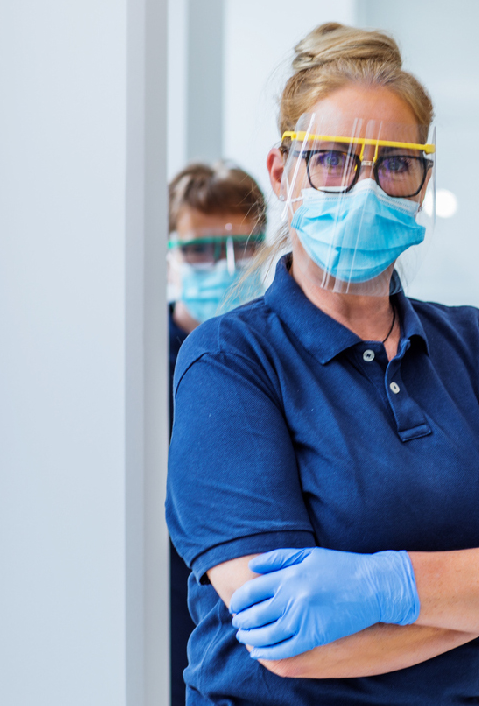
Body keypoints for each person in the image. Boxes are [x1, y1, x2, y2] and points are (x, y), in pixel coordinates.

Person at [166, 22, 479, 706]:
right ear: (283, 172)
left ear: (422, 182)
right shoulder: (230, 360)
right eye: (333, 159)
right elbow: (295, 642)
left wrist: (387, 586)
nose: (365, 188)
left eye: (395, 164)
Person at [166, 161, 268, 706]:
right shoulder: (139, 372)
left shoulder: (274, 360)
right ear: (167, 257)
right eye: (199, 250)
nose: (224, 266)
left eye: (242, 247)